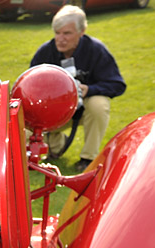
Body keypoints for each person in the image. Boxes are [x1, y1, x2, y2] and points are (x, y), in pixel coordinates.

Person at [30, 5, 126, 173]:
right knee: (24, 119)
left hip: (85, 110)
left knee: (99, 104)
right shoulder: (45, 52)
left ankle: (88, 159)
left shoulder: (96, 50)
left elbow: (117, 85)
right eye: (57, 33)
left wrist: (90, 89)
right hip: (55, 113)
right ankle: (33, 155)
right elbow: (30, 86)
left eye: (67, 33)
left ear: (82, 32)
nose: (61, 39)